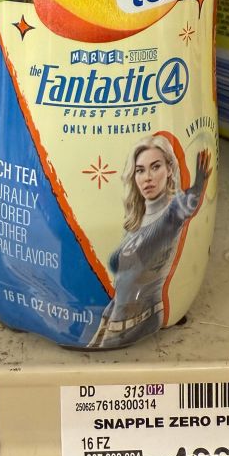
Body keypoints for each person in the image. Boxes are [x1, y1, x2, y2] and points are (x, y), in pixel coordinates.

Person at [89, 135, 211, 348]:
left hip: (140, 323)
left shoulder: (171, 214)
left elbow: (183, 209)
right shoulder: (135, 221)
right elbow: (124, 282)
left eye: (155, 167)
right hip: (112, 326)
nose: (147, 177)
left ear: (170, 169)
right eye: (140, 170)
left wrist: (197, 189)